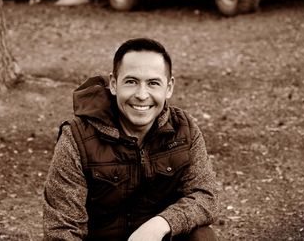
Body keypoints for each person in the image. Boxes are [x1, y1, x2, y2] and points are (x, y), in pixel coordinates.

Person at [43, 38, 219, 241]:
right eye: (131, 82)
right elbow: (62, 229)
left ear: (168, 87)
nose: (142, 95)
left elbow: (206, 196)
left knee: (202, 236)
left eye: (153, 83)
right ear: (114, 84)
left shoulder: (184, 129)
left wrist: (160, 225)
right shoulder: (76, 138)